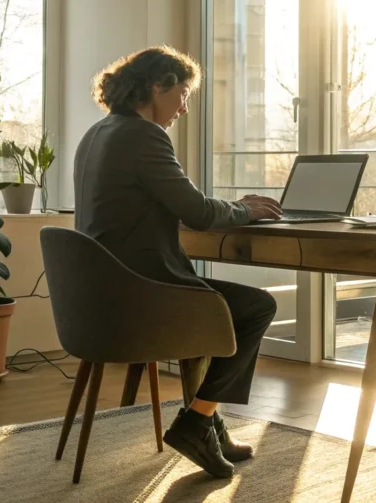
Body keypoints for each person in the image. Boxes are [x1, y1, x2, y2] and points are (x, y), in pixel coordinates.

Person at [73, 45, 283, 478]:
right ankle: (199, 420)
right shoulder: (143, 135)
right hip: (141, 294)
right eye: (183, 94)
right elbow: (200, 213)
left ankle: (210, 421)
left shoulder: (97, 133)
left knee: (217, 304)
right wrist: (246, 208)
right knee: (257, 306)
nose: (185, 108)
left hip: (101, 295)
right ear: (157, 86)